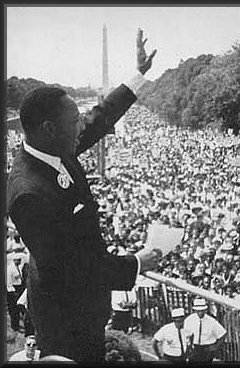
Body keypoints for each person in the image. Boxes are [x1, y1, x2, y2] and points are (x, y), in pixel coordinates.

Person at [7, 29, 159, 362]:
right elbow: (70, 268)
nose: (81, 127)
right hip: (63, 316)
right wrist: (135, 264)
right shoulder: (27, 193)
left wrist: (139, 76)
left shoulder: (53, 147)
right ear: (49, 128)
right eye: (74, 121)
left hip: (85, 304)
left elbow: (99, 118)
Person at [184, 298, 227, 363]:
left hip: (207, 349)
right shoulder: (189, 320)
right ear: (195, 310)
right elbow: (185, 334)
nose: (200, 313)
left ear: (205, 310)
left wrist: (216, 346)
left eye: (202, 311)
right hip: (194, 348)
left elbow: (223, 333)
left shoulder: (212, 321)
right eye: (198, 311)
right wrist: (188, 346)